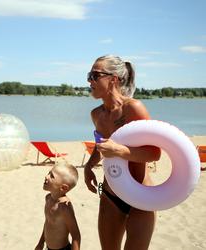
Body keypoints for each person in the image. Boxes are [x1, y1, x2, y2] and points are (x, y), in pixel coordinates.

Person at [84, 55, 161, 250]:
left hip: (141, 197)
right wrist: (89, 166)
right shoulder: (96, 114)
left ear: (113, 79)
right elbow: (100, 146)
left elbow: (154, 153)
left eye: (95, 75)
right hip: (109, 194)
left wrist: (119, 150)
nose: (89, 81)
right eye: (89, 75)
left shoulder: (133, 108)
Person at [35, 162, 81, 250]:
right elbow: (48, 223)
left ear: (63, 188)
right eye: (49, 173)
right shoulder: (48, 198)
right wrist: (41, 243)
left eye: (52, 176)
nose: (46, 176)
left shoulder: (64, 208)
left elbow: (76, 235)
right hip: (48, 247)